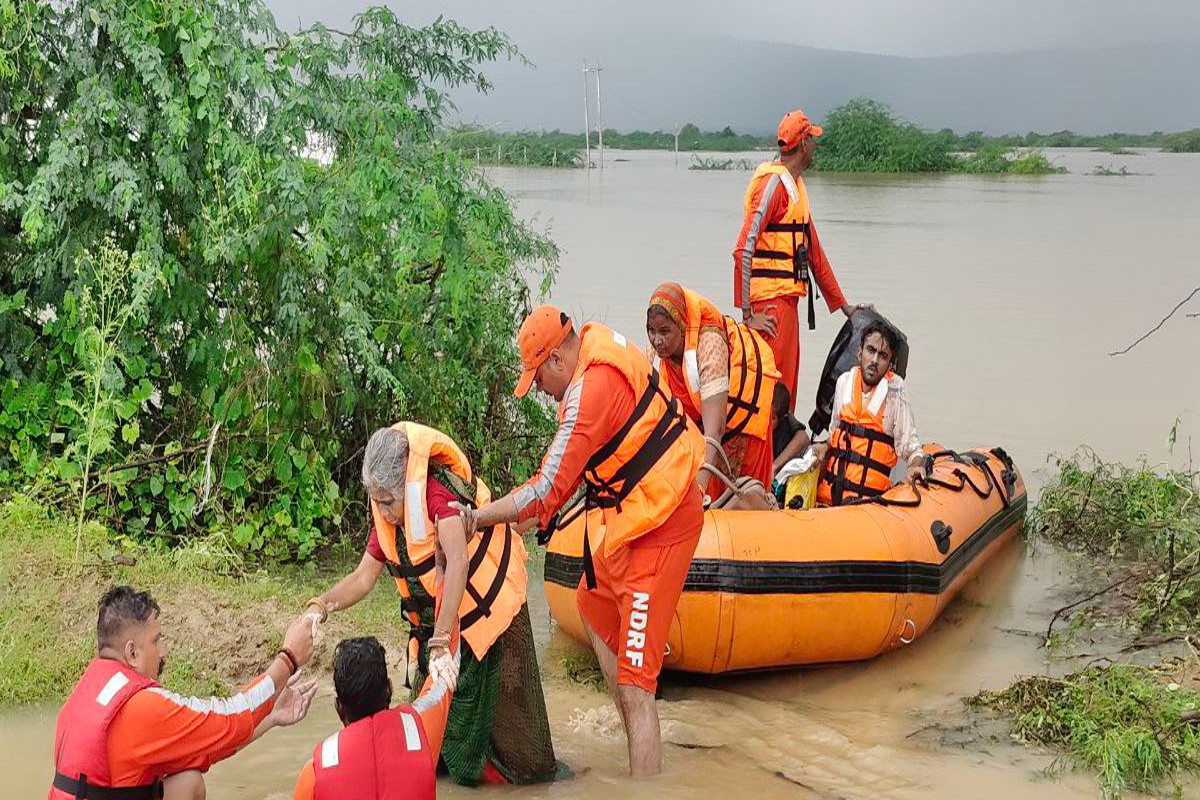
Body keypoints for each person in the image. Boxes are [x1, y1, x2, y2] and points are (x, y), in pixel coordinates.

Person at [457, 305, 705, 777]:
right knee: (592, 605)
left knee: (636, 686)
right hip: (630, 515)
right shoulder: (589, 345)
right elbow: (568, 479)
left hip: (664, 519)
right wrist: (518, 522)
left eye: (539, 380)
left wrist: (480, 518)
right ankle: (634, 729)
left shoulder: (590, 390)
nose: (542, 394)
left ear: (554, 360)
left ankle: (642, 759)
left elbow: (547, 486)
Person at [303, 422, 556, 787]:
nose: (384, 512)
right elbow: (362, 577)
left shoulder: (436, 496)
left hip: (490, 616)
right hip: (443, 628)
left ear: (405, 481)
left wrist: (439, 643)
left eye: (388, 502)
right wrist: (320, 606)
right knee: (431, 735)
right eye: (376, 502)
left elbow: (458, 561)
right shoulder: (387, 512)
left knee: (504, 737)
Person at [49, 585, 317, 800]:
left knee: (187, 781)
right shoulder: (142, 707)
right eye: (157, 640)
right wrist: (288, 658)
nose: (163, 651)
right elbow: (230, 717)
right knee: (189, 782)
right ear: (132, 652)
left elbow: (208, 744)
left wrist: (269, 715)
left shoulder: (83, 695)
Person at [733, 107, 863, 407]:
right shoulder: (773, 186)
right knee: (772, 397)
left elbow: (815, 256)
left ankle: (781, 450)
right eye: (812, 139)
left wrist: (846, 308)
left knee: (785, 394)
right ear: (803, 143)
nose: (815, 145)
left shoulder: (795, 190)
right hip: (770, 309)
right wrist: (748, 315)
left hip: (786, 307)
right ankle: (769, 452)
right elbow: (743, 249)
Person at [645, 282, 780, 496]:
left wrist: (698, 492)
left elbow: (714, 433)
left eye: (664, 332)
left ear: (681, 327)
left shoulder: (709, 345)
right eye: (651, 331)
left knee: (739, 498)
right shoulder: (655, 349)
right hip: (701, 427)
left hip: (739, 426)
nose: (657, 340)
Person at [292, 635, 459, 800]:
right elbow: (444, 677)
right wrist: (441, 641)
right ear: (389, 691)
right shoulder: (420, 732)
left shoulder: (315, 774)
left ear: (339, 709)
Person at [813, 319, 925, 506]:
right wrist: (824, 446)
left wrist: (916, 465)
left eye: (882, 356)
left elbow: (911, 447)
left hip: (867, 508)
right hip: (829, 503)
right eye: (870, 350)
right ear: (860, 353)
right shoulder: (844, 382)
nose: (874, 360)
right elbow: (835, 433)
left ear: (890, 364)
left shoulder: (895, 391)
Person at [770, 383, 811, 473]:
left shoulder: (785, 426)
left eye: (772, 418)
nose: (768, 422)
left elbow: (803, 437)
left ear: (781, 419)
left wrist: (774, 466)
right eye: (765, 415)